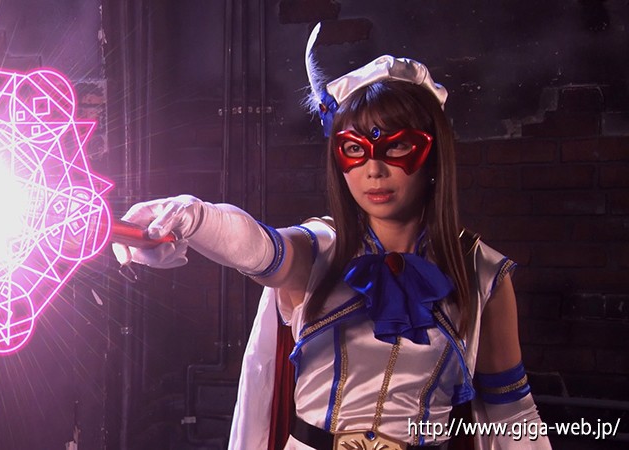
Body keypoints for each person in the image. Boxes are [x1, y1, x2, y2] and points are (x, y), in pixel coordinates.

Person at [113, 24, 551, 450]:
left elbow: (512, 416)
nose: (374, 170)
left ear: (433, 152)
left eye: (397, 146)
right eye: (355, 149)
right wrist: (195, 217)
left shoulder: (482, 272)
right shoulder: (320, 247)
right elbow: (259, 248)